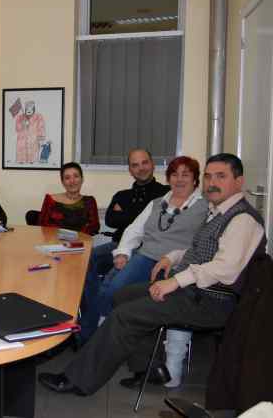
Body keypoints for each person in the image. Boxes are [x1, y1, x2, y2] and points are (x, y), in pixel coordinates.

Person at [38, 153, 266, 397]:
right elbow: (200, 249)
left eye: (221, 176)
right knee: (122, 296)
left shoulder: (242, 219)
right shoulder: (217, 211)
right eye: (209, 176)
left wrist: (174, 281)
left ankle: (77, 380)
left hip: (210, 300)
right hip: (192, 289)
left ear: (239, 181)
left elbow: (225, 269)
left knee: (125, 315)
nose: (212, 183)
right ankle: (149, 367)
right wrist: (173, 257)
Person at [79, 157, 206, 347]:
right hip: (146, 256)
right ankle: (103, 334)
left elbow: (203, 242)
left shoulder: (205, 206)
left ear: (195, 179)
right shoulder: (157, 203)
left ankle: (117, 336)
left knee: (142, 300)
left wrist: (177, 256)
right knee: (114, 289)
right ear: (168, 178)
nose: (179, 179)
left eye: (185, 175)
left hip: (177, 264)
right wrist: (123, 252)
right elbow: (135, 230)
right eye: (174, 174)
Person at [80, 149, 169, 343]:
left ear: (152, 164)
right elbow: (111, 220)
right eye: (135, 165)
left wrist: (126, 214)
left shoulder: (165, 194)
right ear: (130, 169)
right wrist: (135, 215)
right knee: (84, 259)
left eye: (144, 163)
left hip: (144, 249)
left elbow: (145, 224)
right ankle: (92, 311)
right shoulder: (122, 194)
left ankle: (91, 332)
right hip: (117, 244)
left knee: (110, 281)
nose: (141, 168)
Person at [37, 162, 100, 235]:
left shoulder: (89, 201)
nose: (72, 181)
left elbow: (94, 227)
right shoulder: (50, 200)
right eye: (67, 178)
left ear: (82, 179)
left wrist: (76, 236)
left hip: (81, 241)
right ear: (63, 182)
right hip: (53, 241)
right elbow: (42, 226)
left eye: (76, 176)